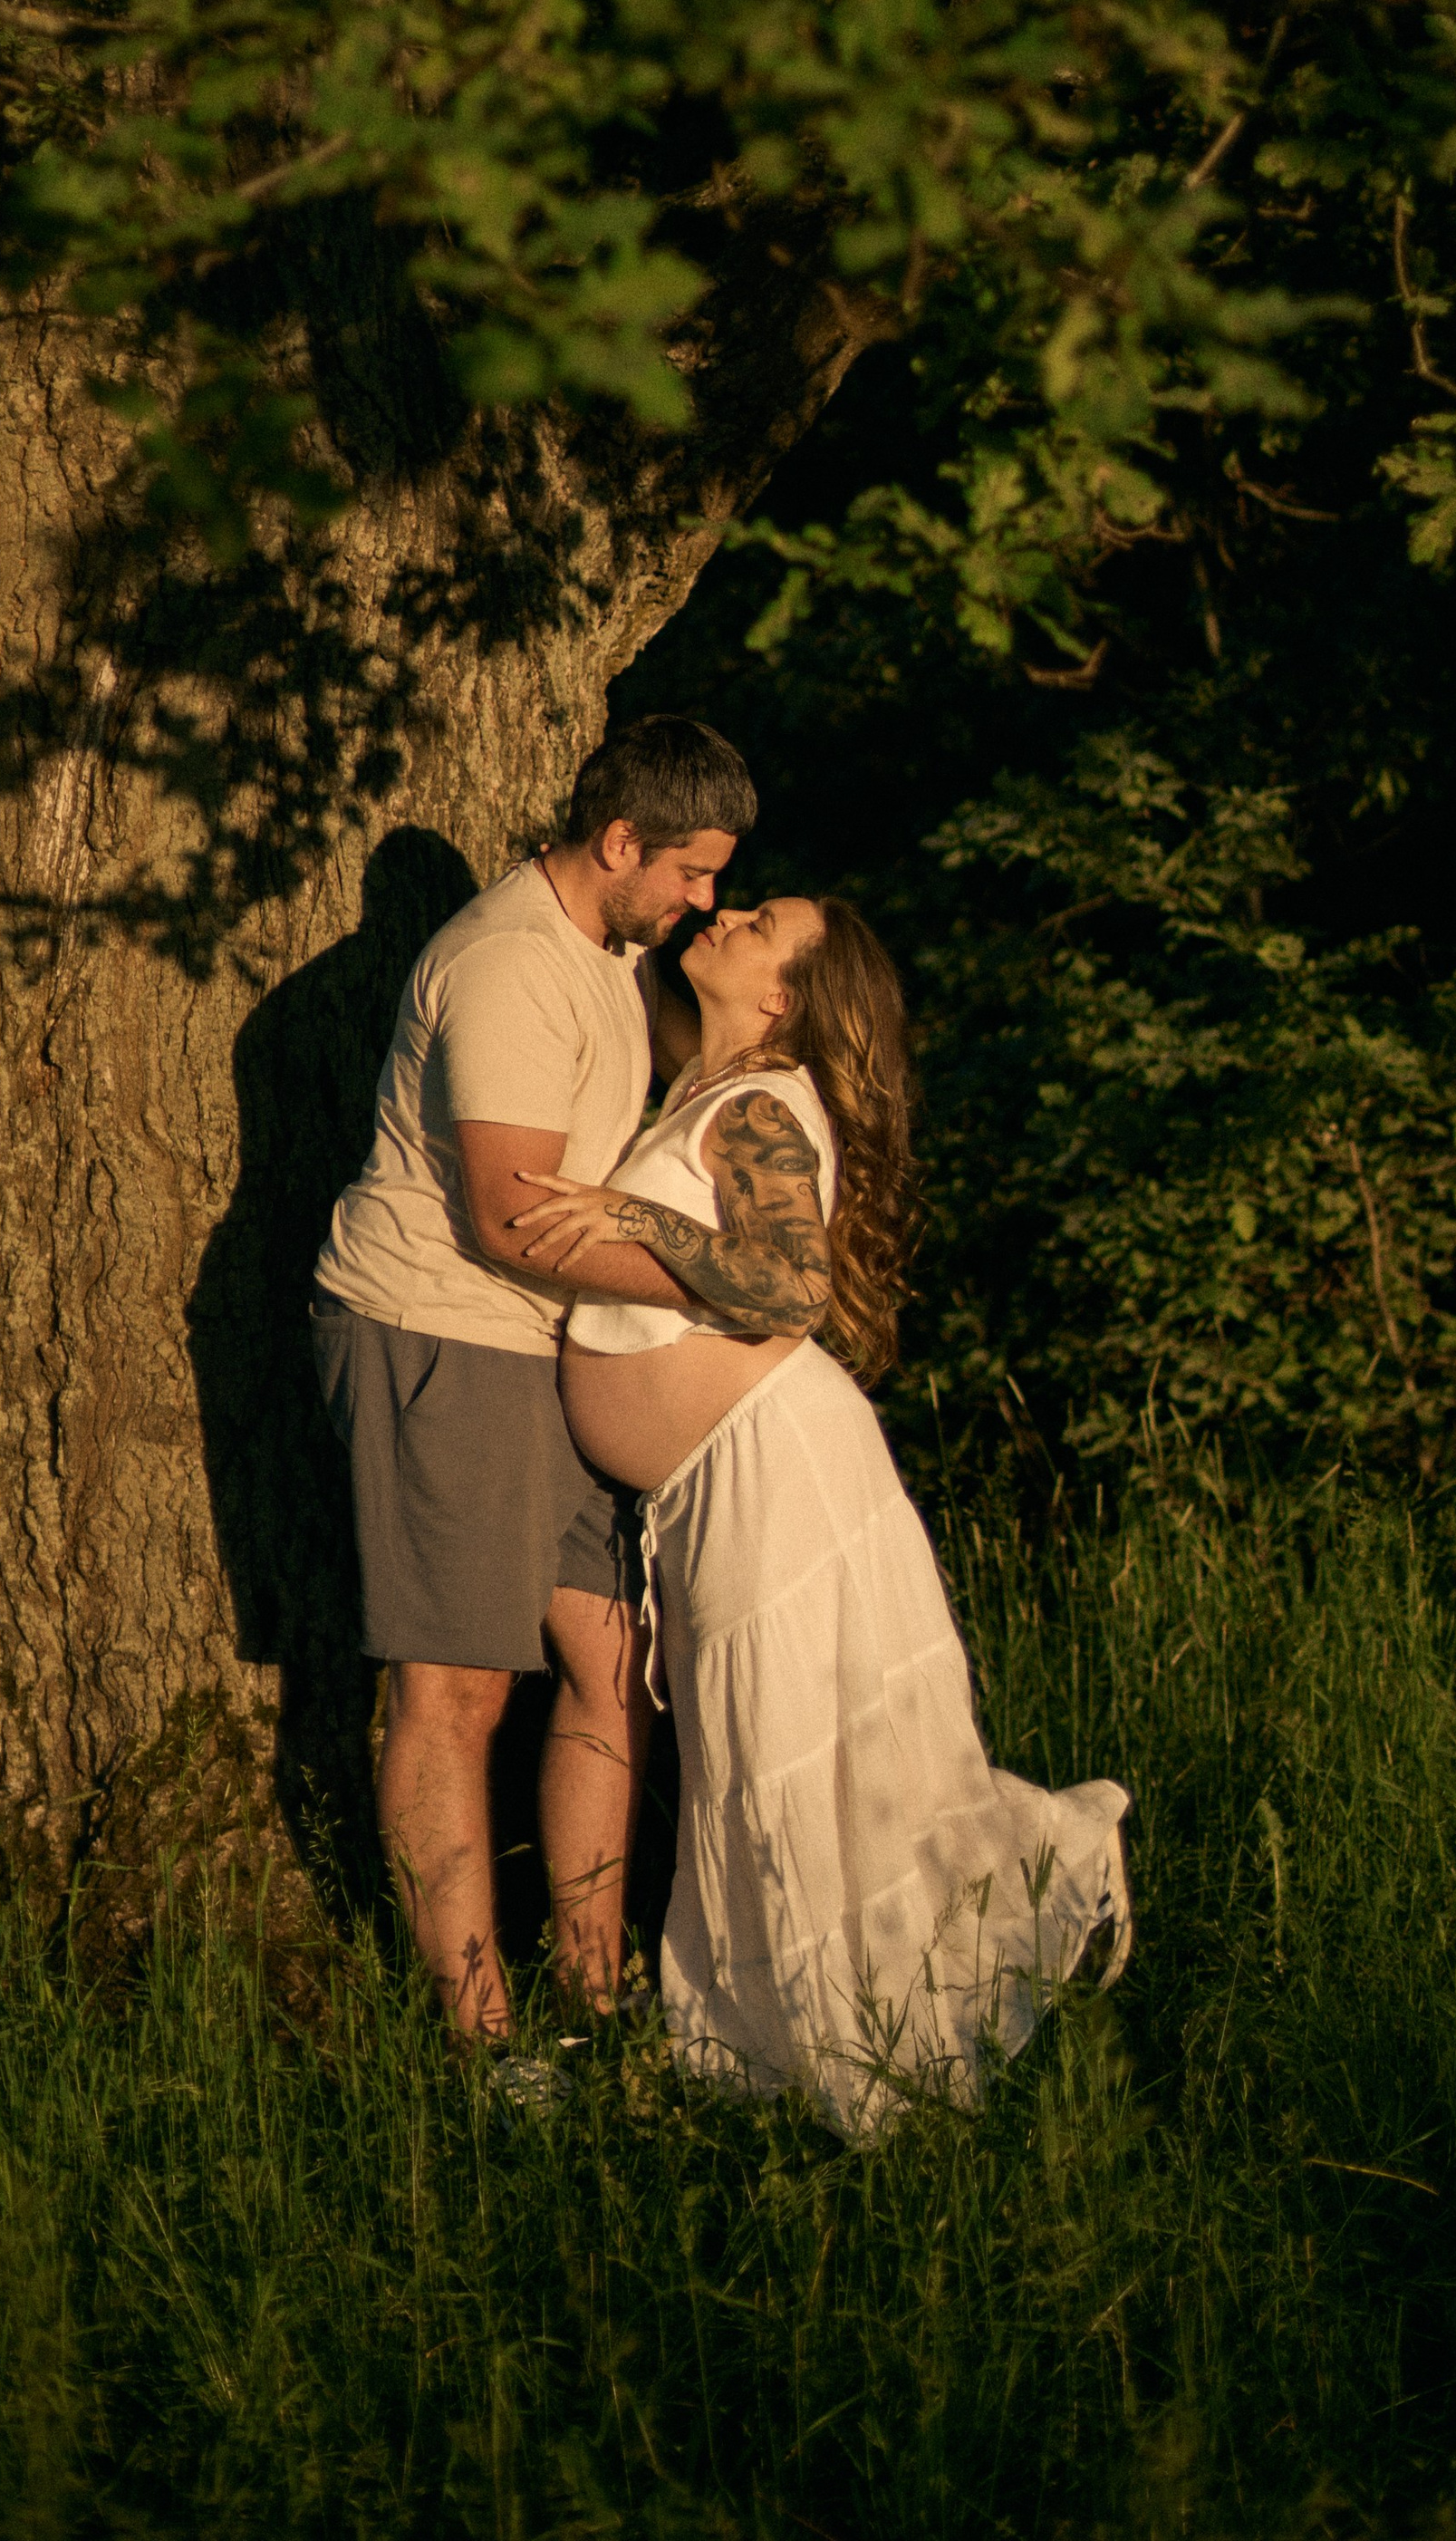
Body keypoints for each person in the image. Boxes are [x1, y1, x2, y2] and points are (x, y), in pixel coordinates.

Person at [513, 893, 1130, 2135]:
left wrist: (625, 1213)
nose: (728, 913)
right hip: (727, 1476)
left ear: (785, 997)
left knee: (795, 1750)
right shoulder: (711, 1089)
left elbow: (787, 1285)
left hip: (770, 1468)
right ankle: (789, 2041)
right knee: (782, 1756)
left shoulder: (757, 1102)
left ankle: (985, 1944)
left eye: (761, 921)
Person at [310, 715, 755, 2037]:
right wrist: (722, 1290)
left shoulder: (609, 948)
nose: (704, 900)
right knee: (456, 1690)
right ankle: (480, 2042)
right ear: (620, 841)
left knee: (612, 1664)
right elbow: (509, 1219)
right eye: (690, 871)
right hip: (447, 1335)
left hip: (546, 1348)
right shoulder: (511, 963)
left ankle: (596, 1993)